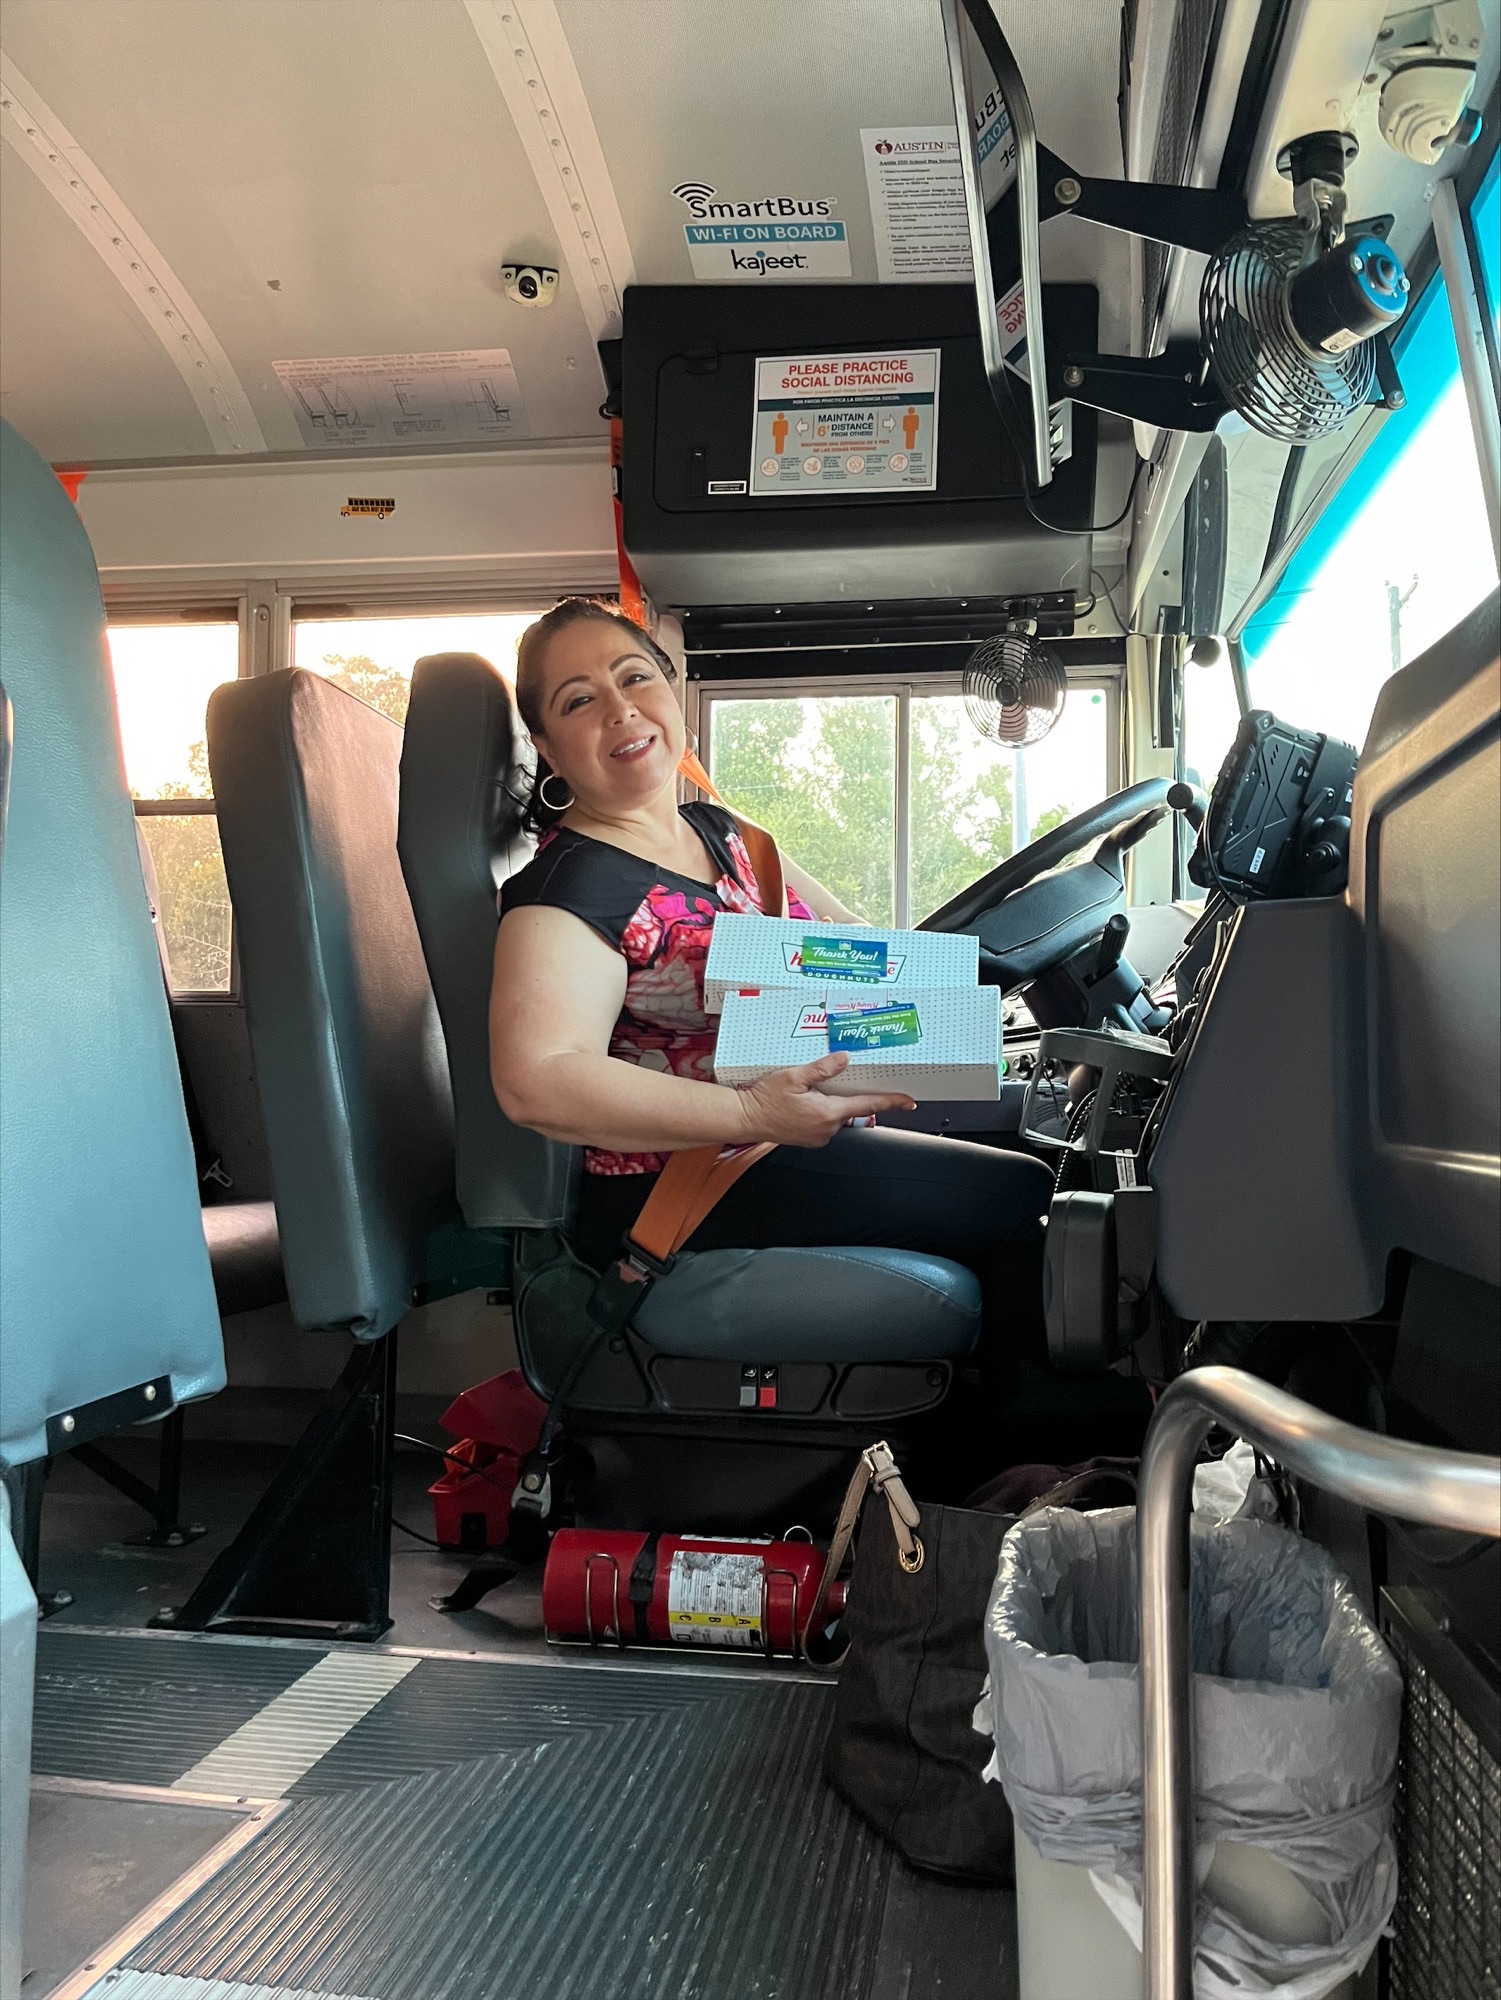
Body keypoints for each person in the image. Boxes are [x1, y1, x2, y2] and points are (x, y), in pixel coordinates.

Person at [489, 598, 1050, 1376]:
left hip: (780, 1129)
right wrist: (751, 1111)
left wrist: (929, 1012)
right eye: (579, 700)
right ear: (548, 749)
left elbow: (847, 940)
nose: (620, 711)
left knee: (1032, 1124)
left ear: (670, 691)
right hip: (687, 1176)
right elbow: (537, 1082)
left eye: (633, 678)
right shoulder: (568, 891)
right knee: (1019, 1194)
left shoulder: (722, 833)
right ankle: (1005, 1466)